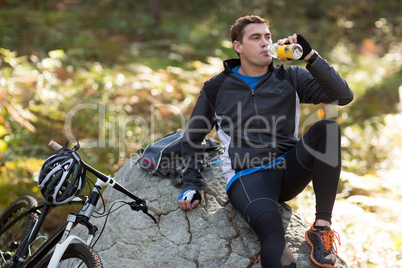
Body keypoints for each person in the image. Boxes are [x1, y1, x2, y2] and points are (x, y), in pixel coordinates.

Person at [177, 15, 353, 268]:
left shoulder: (290, 77)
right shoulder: (217, 87)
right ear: (238, 46)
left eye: (267, 37)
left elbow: (343, 95)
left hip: (288, 169)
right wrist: (191, 183)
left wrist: (310, 56)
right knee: (273, 239)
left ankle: (321, 227)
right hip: (248, 176)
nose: (264, 43)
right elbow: (193, 138)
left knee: (328, 129)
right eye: (255, 37)